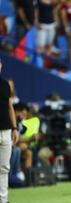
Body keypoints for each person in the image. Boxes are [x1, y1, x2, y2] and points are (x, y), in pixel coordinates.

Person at [0, 58, 20, 203]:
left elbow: (9, 107)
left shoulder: (5, 84)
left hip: (6, 130)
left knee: (4, 168)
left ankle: (3, 199)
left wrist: (14, 128)